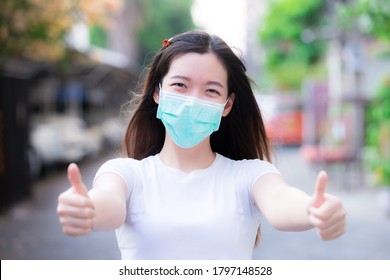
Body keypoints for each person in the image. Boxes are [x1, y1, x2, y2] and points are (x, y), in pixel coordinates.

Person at [57, 30, 346, 260]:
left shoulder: (249, 175)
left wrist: (313, 209)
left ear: (227, 104)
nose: (193, 100)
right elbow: (108, 204)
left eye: (211, 90)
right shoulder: (125, 174)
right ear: (158, 91)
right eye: (180, 85)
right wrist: (87, 209)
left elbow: (282, 203)